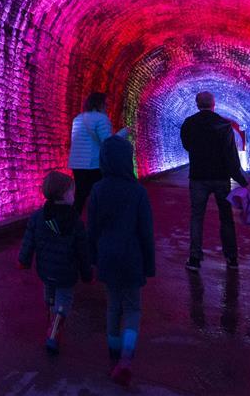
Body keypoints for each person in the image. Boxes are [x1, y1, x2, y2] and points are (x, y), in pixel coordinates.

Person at [88, 135, 155, 387]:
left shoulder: (97, 190)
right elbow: (145, 232)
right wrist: (149, 264)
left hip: (107, 257)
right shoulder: (138, 192)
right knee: (133, 309)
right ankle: (127, 358)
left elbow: (91, 229)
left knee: (113, 308)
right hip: (132, 258)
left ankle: (112, 359)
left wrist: (92, 260)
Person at [18, 171, 92, 355]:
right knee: (64, 299)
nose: (74, 196)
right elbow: (82, 250)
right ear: (64, 195)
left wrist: (24, 260)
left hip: (45, 268)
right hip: (66, 272)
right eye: (72, 193)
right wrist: (86, 271)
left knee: (49, 293)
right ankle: (55, 326)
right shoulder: (75, 221)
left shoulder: (38, 217)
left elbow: (29, 241)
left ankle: (51, 318)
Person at [179, 91, 250, 272]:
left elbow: (187, 145)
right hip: (221, 178)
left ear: (197, 105)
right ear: (214, 104)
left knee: (197, 217)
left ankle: (195, 259)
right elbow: (231, 158)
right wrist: (242, 181)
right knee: (226, 218)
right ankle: (232, 258)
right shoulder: (224, 126)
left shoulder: (189, 124)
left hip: (198, 177)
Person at [68, 92, 128, 215]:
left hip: (77, 163)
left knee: (80, 195)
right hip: (93, 164)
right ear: (99, 104)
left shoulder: (77, 118)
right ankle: (100, 225)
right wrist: (123, 133)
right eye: (105, 104)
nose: (106, 107)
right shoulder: (101, 118)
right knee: (101, 194)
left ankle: (72, 225)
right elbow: (107, 142)